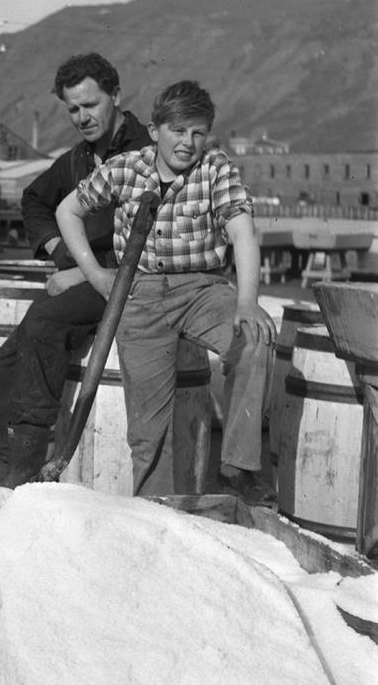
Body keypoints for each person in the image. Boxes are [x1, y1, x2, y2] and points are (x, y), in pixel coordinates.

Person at [56, 79, 277, 502]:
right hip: (139, 296)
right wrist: (95, 274)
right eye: (178, 131)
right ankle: (155, 514)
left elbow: (242, 232)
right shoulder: (124, 168)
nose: (188, 142)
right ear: (155, 131)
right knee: (148, 433)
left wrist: (247, 302)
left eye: (198, 132)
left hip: (201, 289)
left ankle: (238, 468)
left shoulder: (215, 168)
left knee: (254, 337)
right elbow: (68, 211)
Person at [0, 53, 152, 487]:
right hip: (94, 275)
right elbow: (34, 200)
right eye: (73, 109)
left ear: (116, 95)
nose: (82, 117)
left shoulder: (148, 152)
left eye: (90, 105)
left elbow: (153, 238)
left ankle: (26, 470)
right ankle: (3, 472)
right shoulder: (78, 158)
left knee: (44, 321)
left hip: (131, 278)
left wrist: (82, 273)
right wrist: (62, 251)